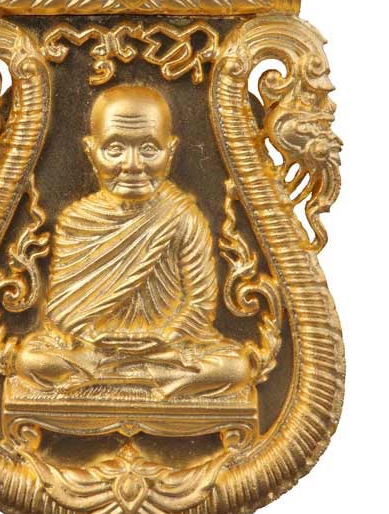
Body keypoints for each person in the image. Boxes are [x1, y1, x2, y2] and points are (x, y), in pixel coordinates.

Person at [15, 85, 254, 398]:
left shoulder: (183, 216)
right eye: (115, 149)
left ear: (170, 150)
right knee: (30, 360)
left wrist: (167, 337)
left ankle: (112, 382)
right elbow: (61, 310)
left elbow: (201, 303)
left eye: (149, 149)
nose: (132, 164)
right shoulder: (76, 220)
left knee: (235, 367)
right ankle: (146, 383)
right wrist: (92, 338)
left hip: (164, 352)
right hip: (94, 351)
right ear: (91, 150)